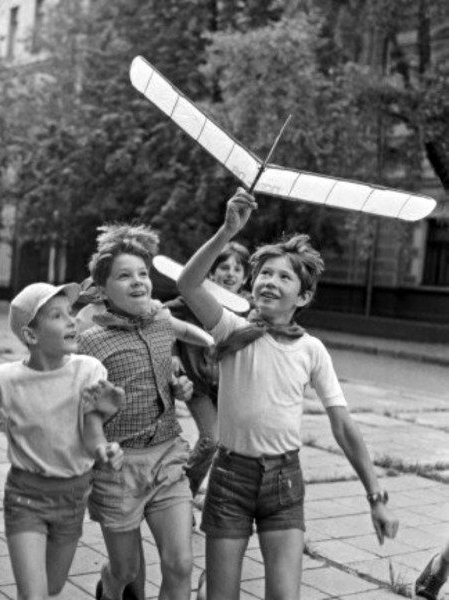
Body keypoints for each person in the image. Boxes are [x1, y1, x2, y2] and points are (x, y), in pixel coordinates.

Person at [177, 188, 400, 600]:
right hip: (230, 478)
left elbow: (343, 427)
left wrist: (376, 497)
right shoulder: (230, 329)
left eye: (284, 277)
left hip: (284, 483)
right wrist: (227, 232)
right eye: (265, 273)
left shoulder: (311, 350)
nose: (270, 281)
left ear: (304, 295)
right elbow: (188, 284)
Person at [0, 281, 124, 600]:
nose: (72, 320)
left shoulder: (89, 372)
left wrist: (105, 451)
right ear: (31, 335)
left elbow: (92, 433)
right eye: (57, 316)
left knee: (52, 587)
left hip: (73, 496)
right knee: (34, 595)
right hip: (25, 497)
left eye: (70, 312)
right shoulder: (5, 379)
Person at [78, 223, 203, 600]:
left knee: (180, 565)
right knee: (126, 571)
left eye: (143, 273)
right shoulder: (88, 343)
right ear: (101, 290)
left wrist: (182, 381)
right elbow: (80, 410)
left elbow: (184, 336)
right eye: (124, 276)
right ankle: (109, 589)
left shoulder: (161, 320)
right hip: (119, 468)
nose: (137, 281)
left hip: (167, 456)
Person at [165, 242, 252, 499]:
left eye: (237, 269)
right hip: (197, 384)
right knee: (211, 440)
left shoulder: (249, 308)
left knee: (231, 445)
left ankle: (223, 498)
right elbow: (159, 318)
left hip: (228, 386)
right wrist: (172, 353)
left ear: (246, 277)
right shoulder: (191, 301)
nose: (230, 273)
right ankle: (182, 496)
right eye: (224, 267)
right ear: (211, 272)